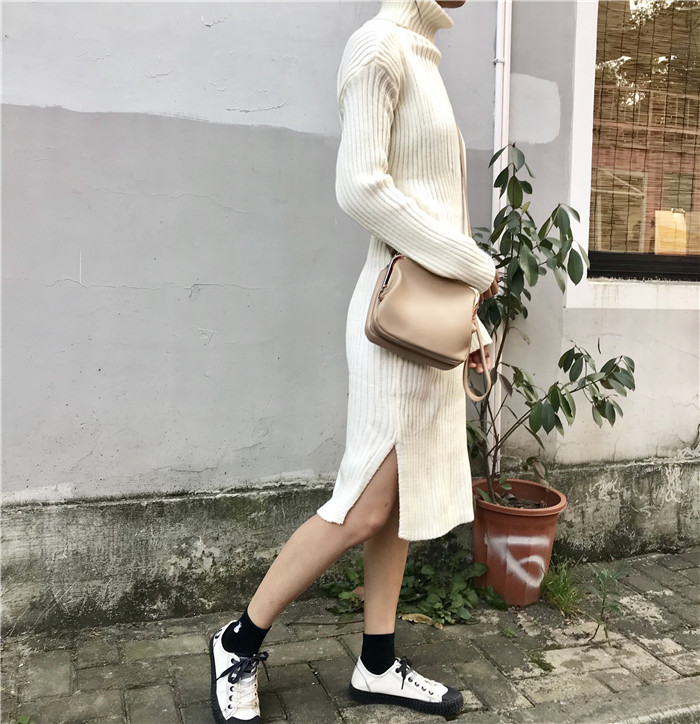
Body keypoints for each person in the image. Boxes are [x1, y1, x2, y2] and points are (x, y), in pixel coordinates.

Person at [209, 1, 499, 721]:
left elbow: (433, 208)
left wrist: (468, 318)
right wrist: (473, 266)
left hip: (429, 320)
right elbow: (361, 188)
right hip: (393, 325)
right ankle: (237, 641)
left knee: (399, 503)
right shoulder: (377, 47)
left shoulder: (421, 56)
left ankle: (376, 662)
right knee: (364, 504)